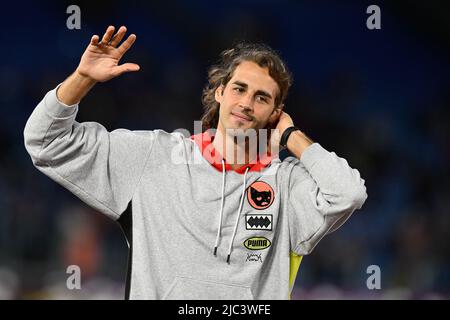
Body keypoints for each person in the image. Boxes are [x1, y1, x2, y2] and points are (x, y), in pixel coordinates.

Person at [24, 25, 367, 299]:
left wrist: (292, 135)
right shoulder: (152, 156)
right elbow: (46, 141)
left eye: (261, 98)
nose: (246, 103)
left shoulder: (287, 183)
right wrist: (83, 78)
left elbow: (348, 193)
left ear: (275, 113)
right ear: (220, 92)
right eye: (239, 89)